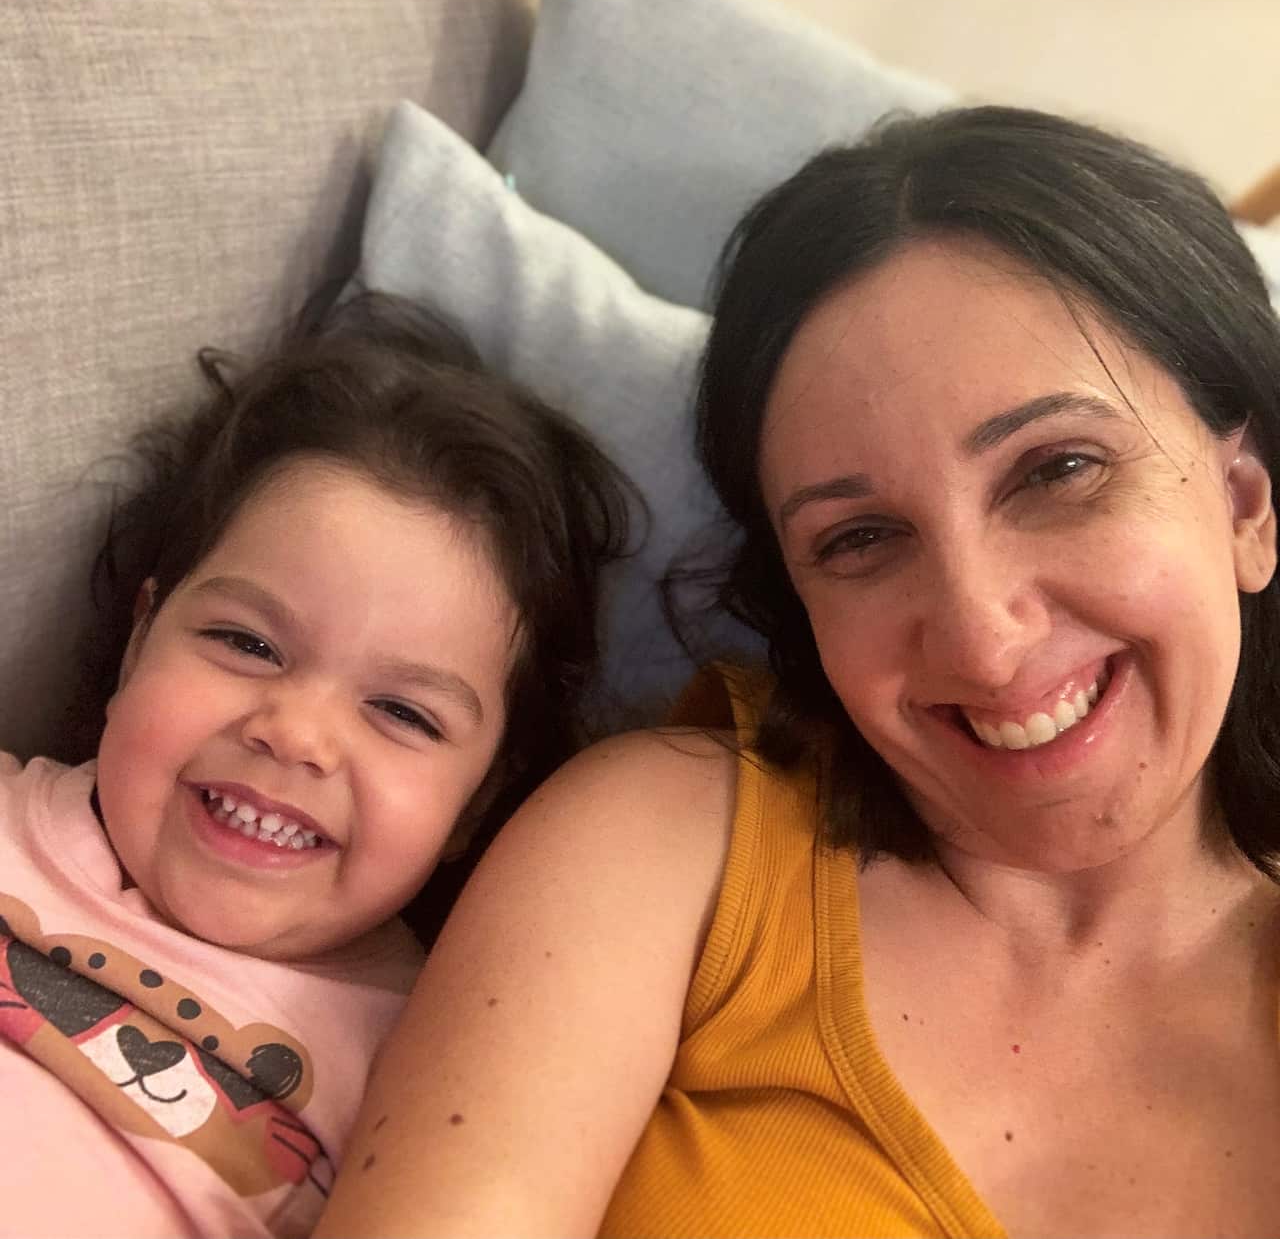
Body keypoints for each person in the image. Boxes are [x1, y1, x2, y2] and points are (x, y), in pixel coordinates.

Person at [315, 107, 1280, 1239]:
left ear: (1244, 506)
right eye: (860, 538)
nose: (983, 643)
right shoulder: (670, 847)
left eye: (1057, 469)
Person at [0, 291, 630, 1239]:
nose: (295, 733)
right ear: (139, 639)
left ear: (482, 799)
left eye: (403, 712)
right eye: (247, 643)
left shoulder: (434, 1065)